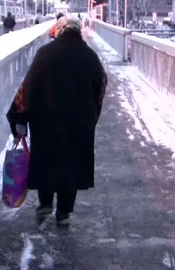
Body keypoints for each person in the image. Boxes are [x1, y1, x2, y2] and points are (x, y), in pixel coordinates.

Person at [6, 17, 107, 227]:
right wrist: (91, 116)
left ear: (60, 30)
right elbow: (101, 85)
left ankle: (44, 204)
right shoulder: (89, 56)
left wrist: (20, 117)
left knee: (46, 162)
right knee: (72, 165)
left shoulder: (45, 54)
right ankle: (64, 212)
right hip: (79, 124)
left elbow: (29, 88)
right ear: (78, 31)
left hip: (46, 123)